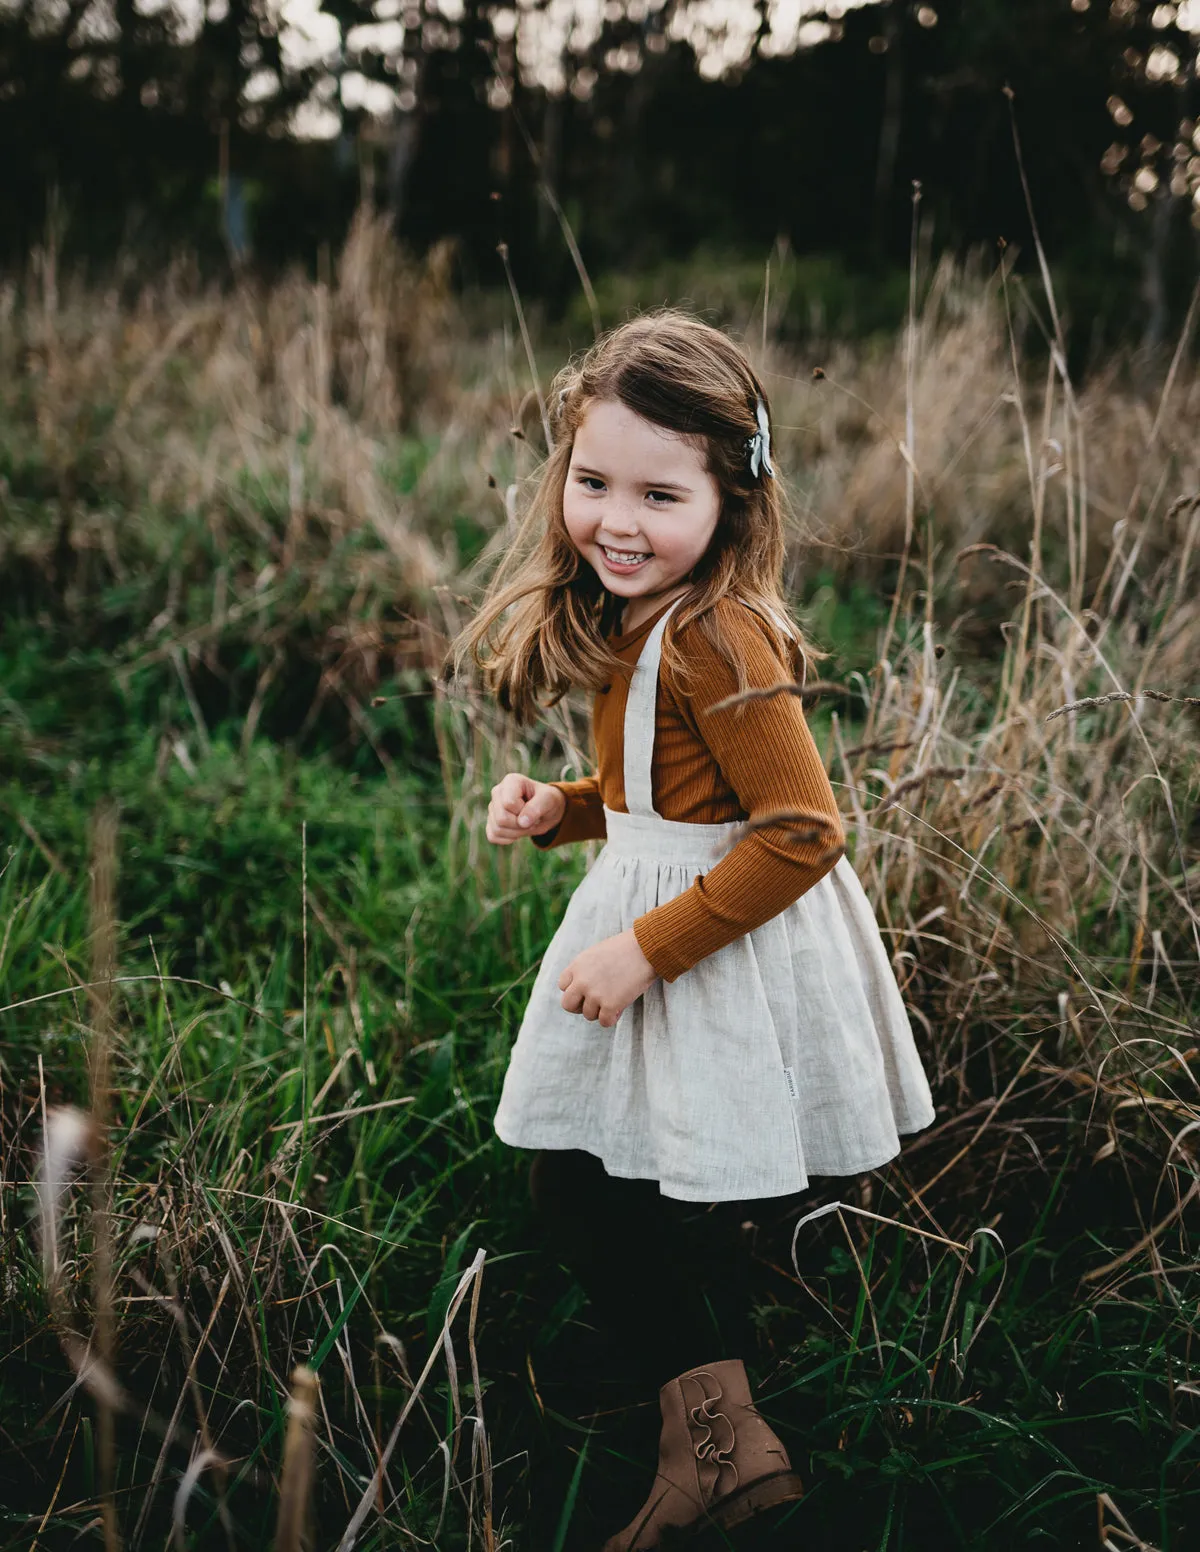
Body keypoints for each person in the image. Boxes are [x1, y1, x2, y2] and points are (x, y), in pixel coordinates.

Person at [450, 311, 936, 1550]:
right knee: (613, 1175)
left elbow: (801, 830)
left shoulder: (721, 632)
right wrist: (561, 807)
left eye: (660, 493)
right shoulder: (648, 611)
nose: (617, 518)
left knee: (585, 1181)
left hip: (712, 950)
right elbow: (664, 800)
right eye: (593, 480)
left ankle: (719, 1446)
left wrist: (643, 949)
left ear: (735, 496)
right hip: (674, 928)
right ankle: (719, 1437)